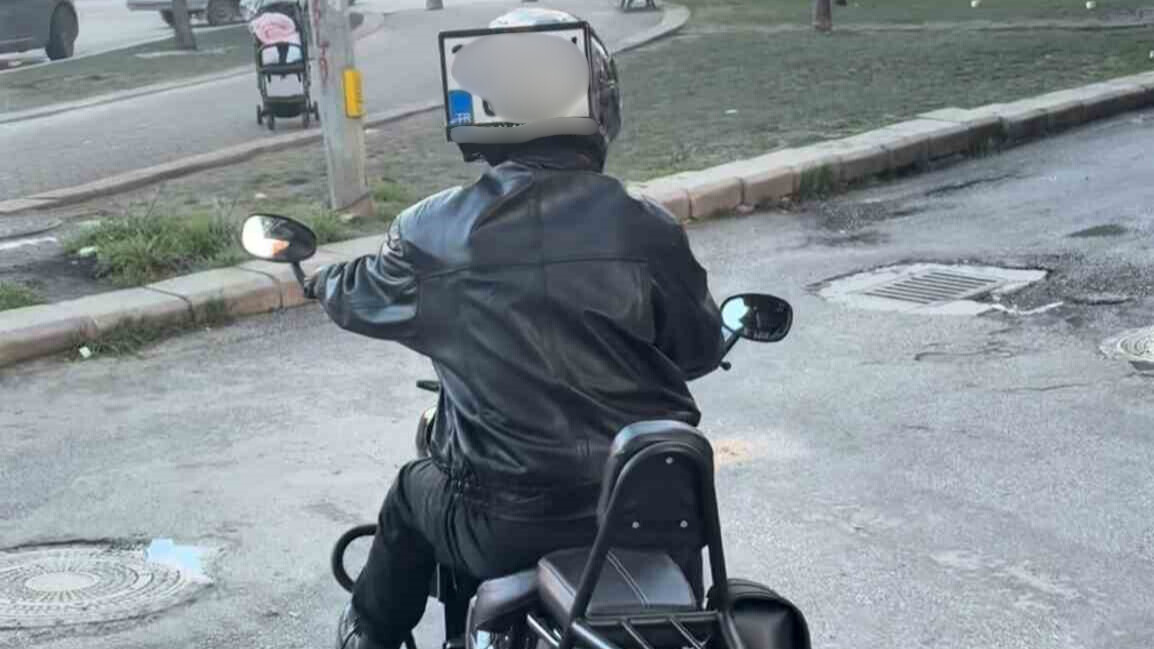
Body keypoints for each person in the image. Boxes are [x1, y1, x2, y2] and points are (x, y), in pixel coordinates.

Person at [303, 8, 725, 649]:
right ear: (599, 105)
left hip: (503, 523)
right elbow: (698, 349)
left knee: (411, 490)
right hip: (648, 516)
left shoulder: (432, 232)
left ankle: (367, 633)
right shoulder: (648, 227)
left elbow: (360, 293)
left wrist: (318, 281)